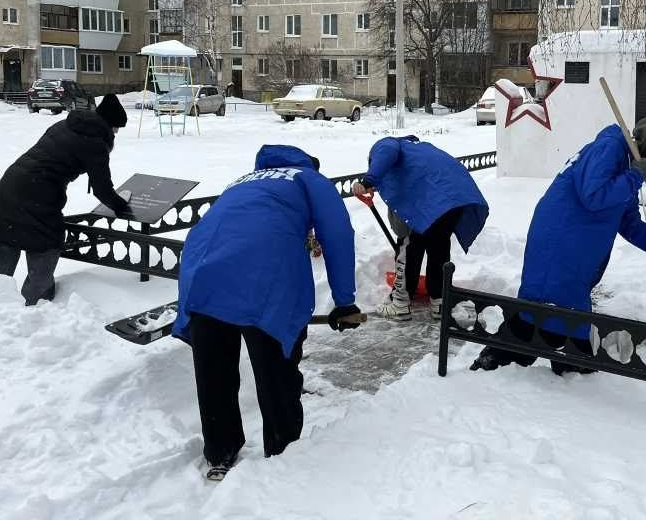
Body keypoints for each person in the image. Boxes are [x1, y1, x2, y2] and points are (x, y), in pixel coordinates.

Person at [172, 144, 363, 481]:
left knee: (214, 372)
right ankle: (282, 452)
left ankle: (220, 451)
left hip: (201, 272)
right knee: (276, 371)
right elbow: (336, 231)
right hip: (264, 276)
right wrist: (344, 301)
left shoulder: (242, 181)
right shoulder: (308, 179)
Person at [470, 117, 646, 375]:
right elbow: (593, 196)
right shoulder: (610, 148)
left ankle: (553, 363)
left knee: (555, 308)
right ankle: (549, 363)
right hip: (561, 239)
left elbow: (628, 222)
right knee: (551, 307)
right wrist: (633, 177)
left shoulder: (628, 163)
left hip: (576, 245)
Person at [0, 93, 132, 305]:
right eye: (116, 127)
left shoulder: (66, 124)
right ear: (110, 124)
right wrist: (121, 205)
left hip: (9, 185)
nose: (116, 132)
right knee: (46, 243)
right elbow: (102, 189)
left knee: (7, 237)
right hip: (37, 194)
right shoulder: (95, 142)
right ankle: (35, 306)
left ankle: (4, 304)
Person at [352, 135, 489, 321]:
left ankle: (400, 302)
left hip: (430, 199)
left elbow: (387, 152)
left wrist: (367, 181)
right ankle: (439, 302)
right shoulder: (417, 149)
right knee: (439, 246)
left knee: (409, 245)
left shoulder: (386, 144)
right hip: (455, 195)